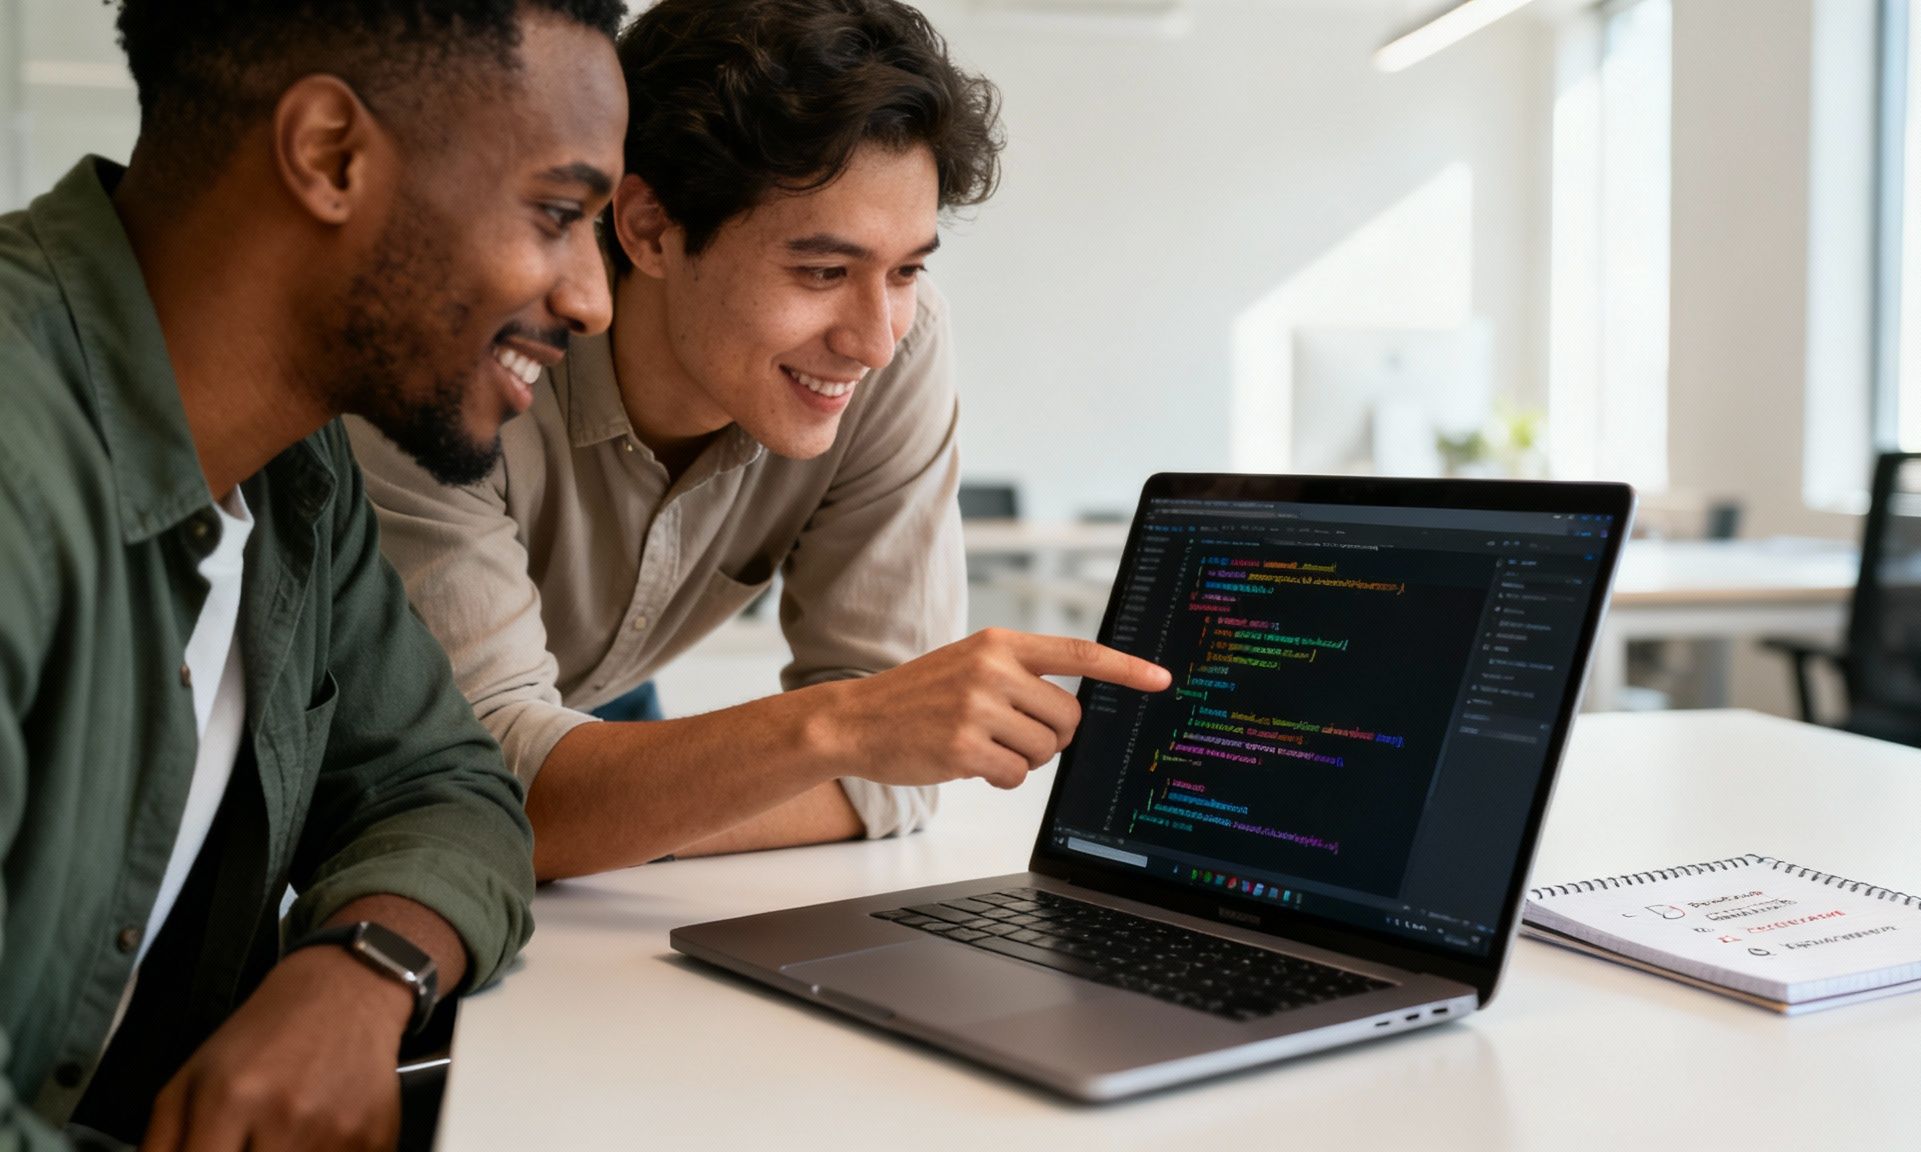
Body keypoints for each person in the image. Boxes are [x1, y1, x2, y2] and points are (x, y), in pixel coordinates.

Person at [347, 0, 1172, 882]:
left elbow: (902, 775)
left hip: (603, 724)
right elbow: (481, 793)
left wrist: (611, 809)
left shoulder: (901, 345)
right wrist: (839, 730)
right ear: (650, 229)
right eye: (822, 271)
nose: (875, 339)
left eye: (906, 270)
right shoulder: (457, 364)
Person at [0, 0, 628, 1146]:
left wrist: (361, 970)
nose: (591, 296)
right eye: (555, 212)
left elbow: (448, 790)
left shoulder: (295, 469)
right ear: (329, 155)